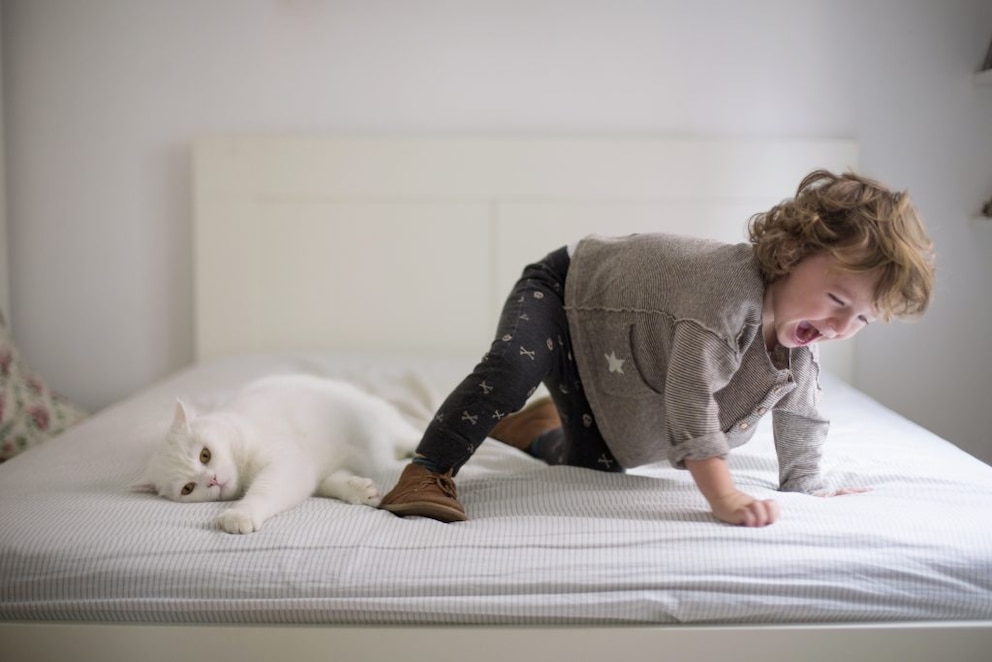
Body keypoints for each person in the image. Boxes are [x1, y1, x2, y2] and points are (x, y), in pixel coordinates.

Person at [379, 169, 936, 527]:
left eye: (862, 317)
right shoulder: (726, 292)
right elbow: (692, 401)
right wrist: (723, 498)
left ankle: (532, 427)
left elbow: (803, 417)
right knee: (512, 367)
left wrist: (805, 484)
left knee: (597, 461)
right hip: (567, 291)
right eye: (838, 297)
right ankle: (429, 468)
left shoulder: (800, 344)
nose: (841, 324)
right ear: (792, 253)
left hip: (615, 356)